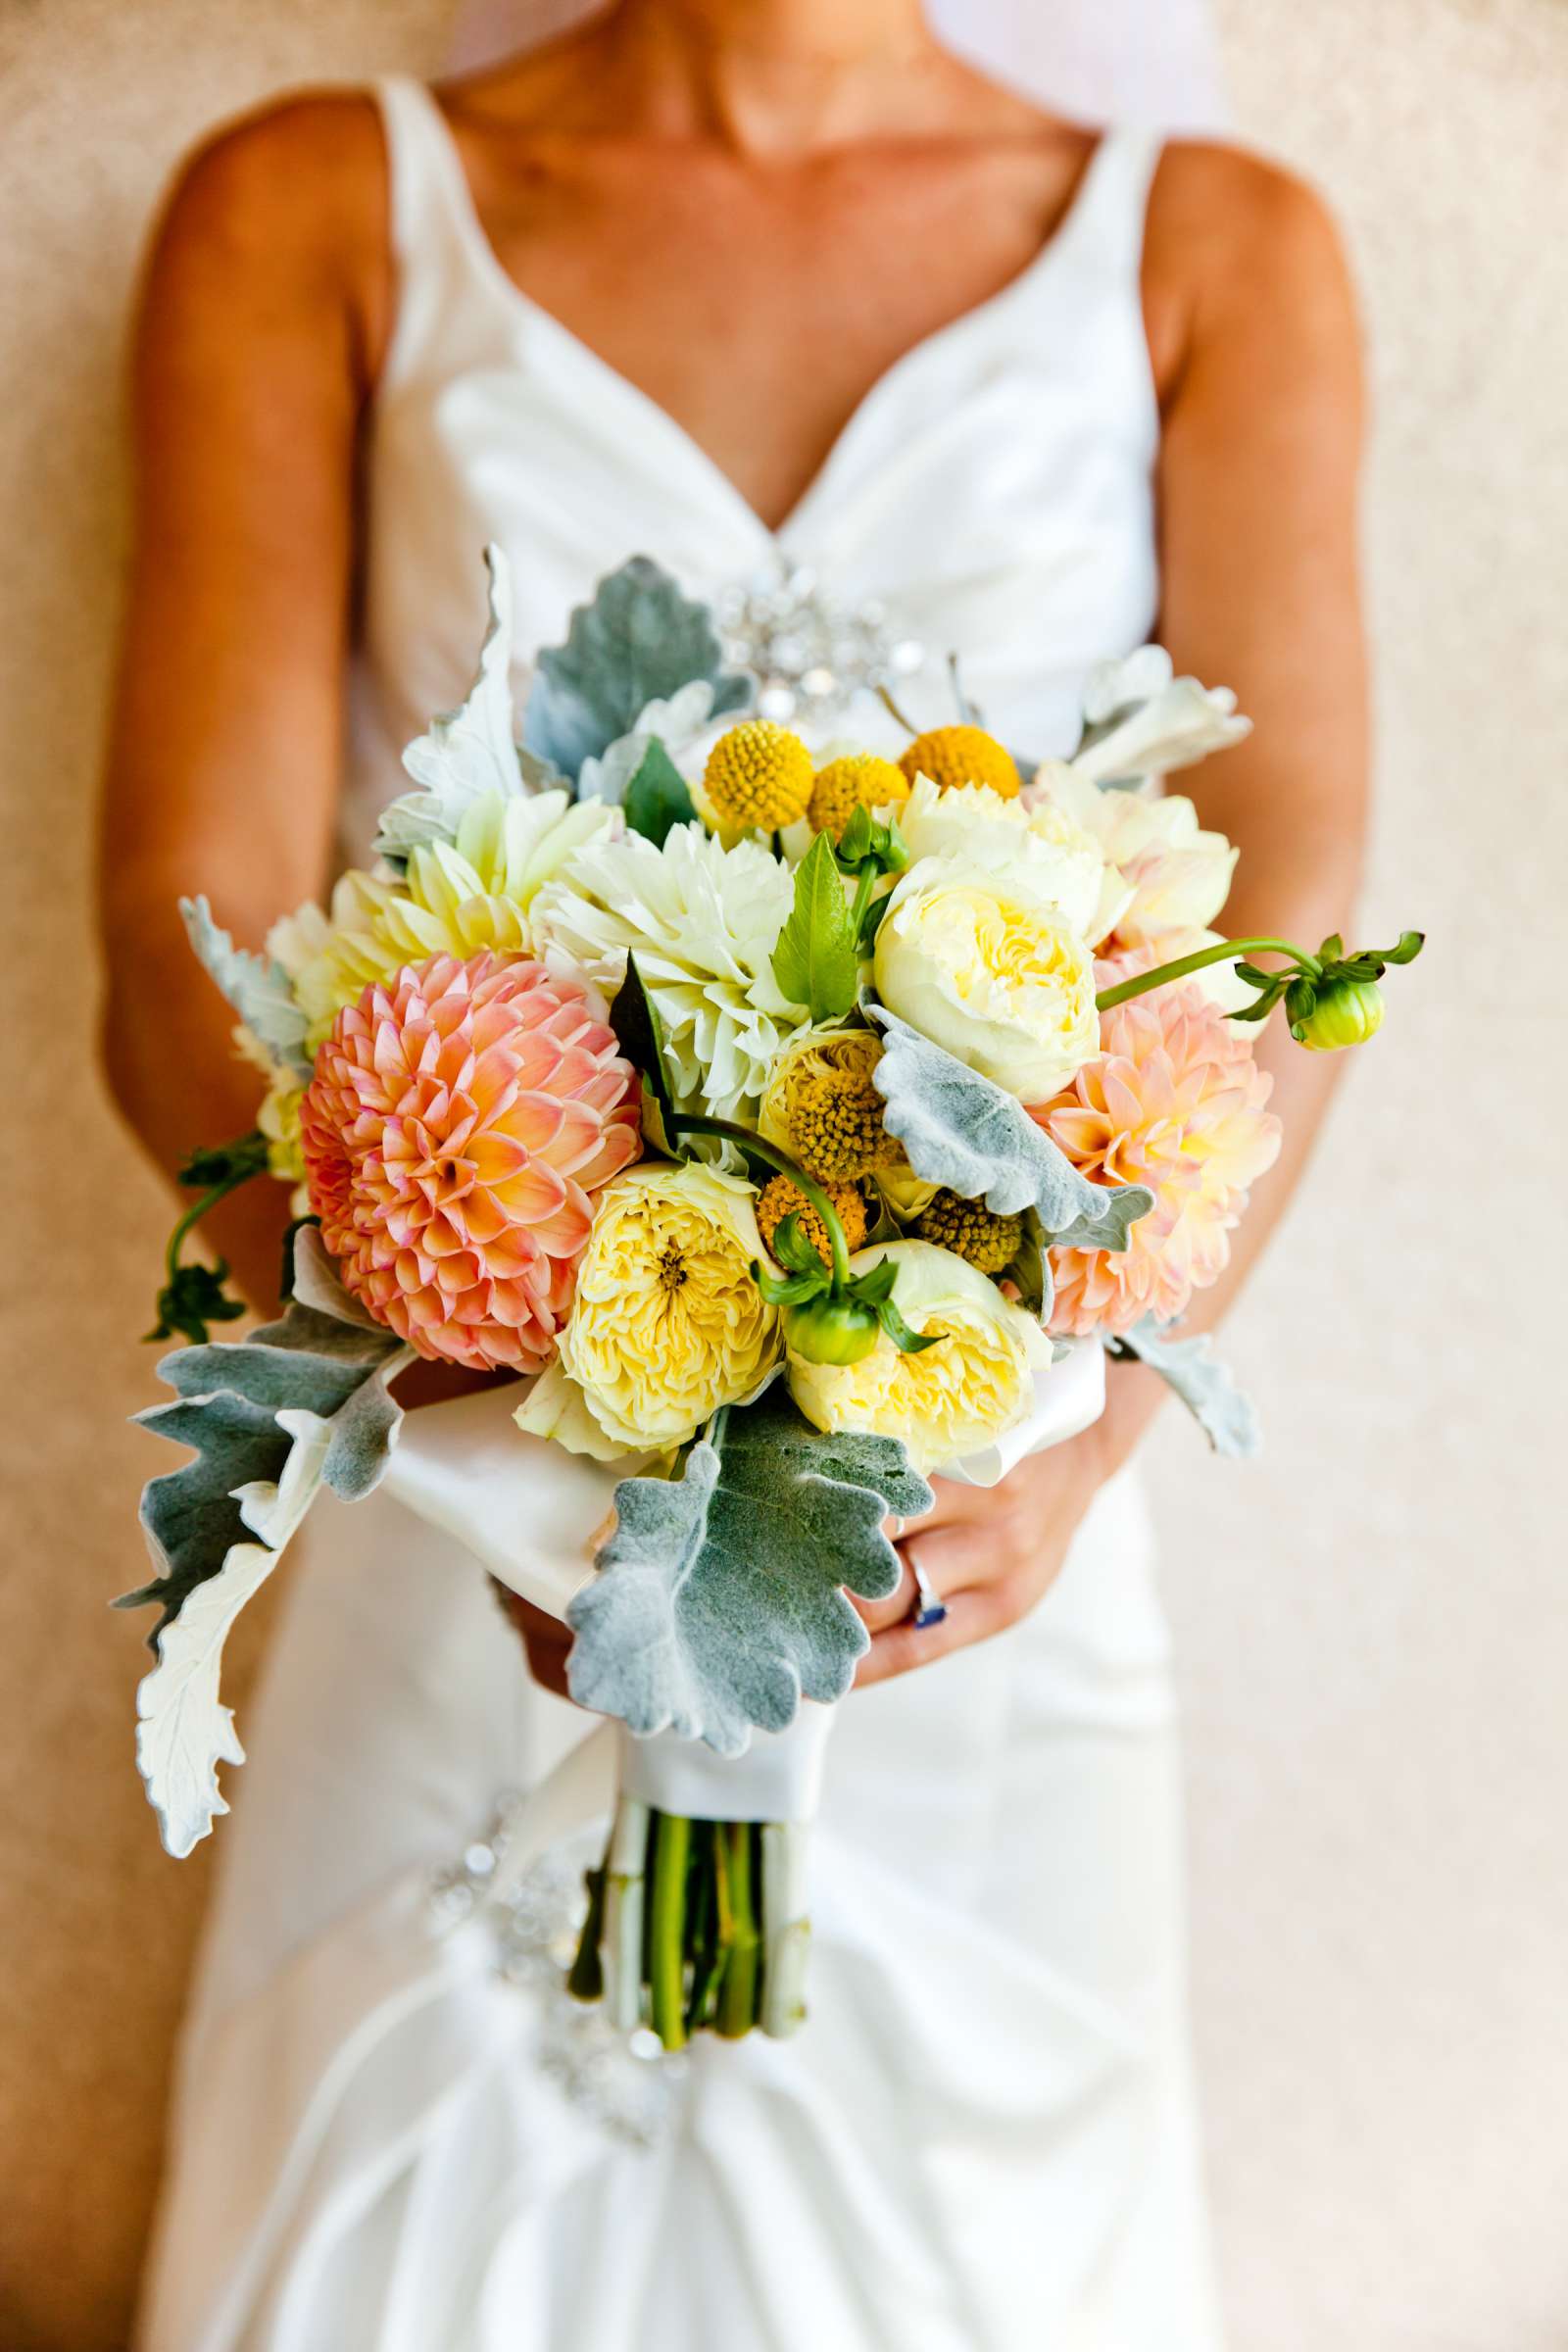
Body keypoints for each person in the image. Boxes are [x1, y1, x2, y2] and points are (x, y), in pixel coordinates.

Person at [99, 3, 1366, 2343]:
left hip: (984, 1552)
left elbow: (1269, 958)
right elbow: (185, 960)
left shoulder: (1217, 251)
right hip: (460, 1519)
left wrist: (1073, 1443)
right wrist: (514, 1431)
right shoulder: (301, 206)